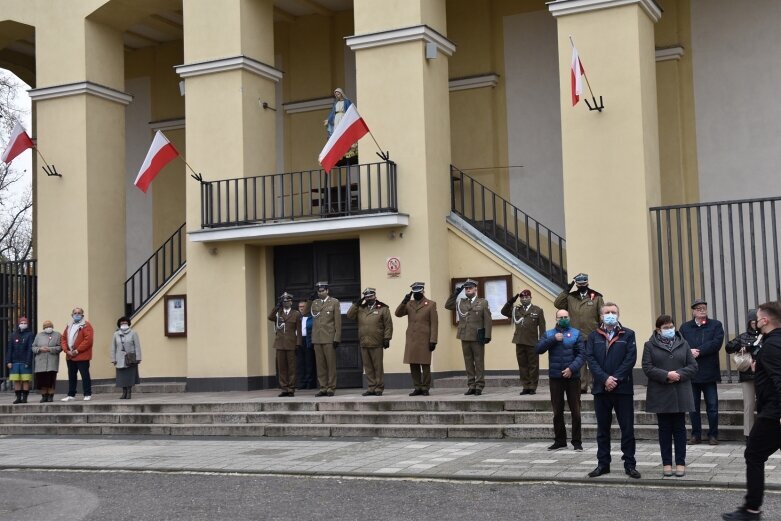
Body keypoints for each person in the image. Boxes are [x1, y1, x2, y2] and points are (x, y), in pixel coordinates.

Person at [722, 301, 781, 521]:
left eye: (757, 317)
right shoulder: (771, 341)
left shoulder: (774, 344)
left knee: (753, 454)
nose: (755, 321)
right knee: (755, 455)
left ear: (765, 320)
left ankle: (751, 510)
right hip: (772, 410)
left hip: (774, 413)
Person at [585, 302, 640, 479]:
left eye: (613, 312)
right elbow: (591, 359)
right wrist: (605, 379)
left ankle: (630, 465)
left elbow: (630, 359)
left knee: (627, 429)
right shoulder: (593, 336)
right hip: (601, 389)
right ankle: (603, 464)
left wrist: (615, 379)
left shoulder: (628, 334)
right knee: (602, 430)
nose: (610, 314)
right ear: (601, 316)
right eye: (607, 312)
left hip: (622, 388)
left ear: (618, 314)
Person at [642, 315, 698, 478]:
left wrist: (678, 374)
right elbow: (647, 367)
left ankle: (680, 462)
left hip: (680, 391)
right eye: (666, 327)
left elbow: (693, 366)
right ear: (658, 329)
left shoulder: (683, 343)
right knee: (664, 430)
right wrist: (666, 375)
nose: (670, 329)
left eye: (671, 326)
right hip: (661, 393)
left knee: (680, 429)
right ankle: (667, 463)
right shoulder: (649, 345)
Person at [535, 309, 585, 451]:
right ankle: (560, 440)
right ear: (556, 319)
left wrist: (571, 369)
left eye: (565, 317)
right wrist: (553, 339)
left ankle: (577, 442)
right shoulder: (549, 334)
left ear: (569, 317)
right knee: (557, 411)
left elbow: (582, 355)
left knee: (576, 411)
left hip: (572, 377)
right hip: (556, 377)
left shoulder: (576, 333)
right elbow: (538, 349)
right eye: (560, 317)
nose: (563, 319)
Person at [680, 298, 725, 445]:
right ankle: (696, 435)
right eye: (698, 308)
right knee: (693, 408)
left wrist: (699, 351)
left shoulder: (716, 325)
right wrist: (689, 351)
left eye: (704, 307)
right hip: (692, 373)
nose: (702, 310)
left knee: (712, 406)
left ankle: (713, 435)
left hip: (709, 371)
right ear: (693, 311)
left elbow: (716, 343)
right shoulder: (685, 327)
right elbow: (680, 344)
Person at [554, 273, 604, 393]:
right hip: (576, 334)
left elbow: (601, 315)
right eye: (579, 284)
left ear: (587, 283)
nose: (582, 285)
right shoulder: (570, 297)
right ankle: (582, 386)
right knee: (579, 360)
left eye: (584, 283)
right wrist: (567, 290)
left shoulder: (596, 296)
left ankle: (594, 384)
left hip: (592, 333)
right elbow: (557, 304)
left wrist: (601, 331)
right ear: (576, 284)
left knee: (593, 360)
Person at [445, 279, 492, 396]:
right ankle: (471, 385)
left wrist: (487, 335)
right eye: (466, 288)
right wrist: (455, 294)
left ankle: (479, 385)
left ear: (475, 289)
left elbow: (488, 320)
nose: (468, 290)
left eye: (470, 288)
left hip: (477, 336)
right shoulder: (461, 302)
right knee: (468, 362)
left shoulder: (482, 302)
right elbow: (448, 305)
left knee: (479, 361)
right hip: (464, 335)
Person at [347, 288, 393, 396]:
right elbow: (349, 315)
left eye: (370, 296)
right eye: (366, 297)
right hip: (364, 341)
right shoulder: (361, 308)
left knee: (377, 366)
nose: (369, 298)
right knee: (368, 367)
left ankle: (379, 388)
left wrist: (387, 338)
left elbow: (388, 325)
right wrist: (356, 304)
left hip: (377, 341)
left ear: (375, 296)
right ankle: (371, 387)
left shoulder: (383, 308)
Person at [395, 282, 438, 396]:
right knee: (413, 364)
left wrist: (433, 340)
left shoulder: (430, 304)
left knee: (425, 365)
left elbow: (434, 323)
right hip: (412, 338)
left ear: (423, 291)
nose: (416, 294)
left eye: (418, 292)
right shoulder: (409, 304)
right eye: (414, 292)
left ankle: (425, 387)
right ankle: (417, 387)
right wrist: (404, 301)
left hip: (425, 339)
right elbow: (398, 314)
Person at [725, 309, 762, 440]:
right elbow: (728, 347)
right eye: (752, 322)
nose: (755, 325)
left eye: (757, 322)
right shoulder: (743, 336)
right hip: (747, 375)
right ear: (749, 323)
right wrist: (743, 347)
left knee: (765, 405)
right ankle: (749, 434)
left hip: (764, 375)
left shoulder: (766, 335)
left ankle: (765, 433)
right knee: (749, 405)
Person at [501, 289, 546, 395]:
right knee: (522, 365)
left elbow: (542, 328)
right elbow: (503, 312)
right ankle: (525, 386)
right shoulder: (516, 310)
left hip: (532, 342)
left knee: (533, 366)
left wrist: (542, 341)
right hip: (519, 341)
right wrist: (510, 301)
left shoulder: (537, 310)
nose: (524, 299)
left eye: (526, 297)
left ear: (530, 298)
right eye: (522, 298)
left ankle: (533, 386)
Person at [306, 281, 341, 397]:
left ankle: (331, 387)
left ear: (327, 291)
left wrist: (337, 337)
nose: (320, 293)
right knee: (320, 365)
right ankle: (323, 387)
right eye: (319, 291)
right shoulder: (315, 303)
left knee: (330, 364)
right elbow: (306, 313)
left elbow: (337, 321)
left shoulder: (334, 302)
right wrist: (309, 300)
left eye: (322, 291)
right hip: (317, 338)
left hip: (329, 337)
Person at [268, 292, 302, 397]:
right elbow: (270, 317)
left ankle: (291, 388)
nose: (285, 303)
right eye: (284, 301)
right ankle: (284, 388)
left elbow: (299, 330)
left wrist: (298, 343)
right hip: (280, 344)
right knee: (281, 367)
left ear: (291, 302)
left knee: (291, 367)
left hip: (291, 344)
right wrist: (276, 307)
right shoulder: (278, 313)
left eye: (287, 301)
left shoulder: (296, 314)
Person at [60, 307, 94, 401]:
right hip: (70, 355)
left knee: (85, 375)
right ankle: (71, 395)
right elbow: (63, 339)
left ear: (82, 315)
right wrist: (66, 350)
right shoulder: (69, 325)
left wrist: (77, 350)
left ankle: (87, 394)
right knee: (71, 376)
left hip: (82, 355)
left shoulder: (86, 325)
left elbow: (88, 341)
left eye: (79, 313)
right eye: (75, 313)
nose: (77, 314)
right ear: (72, 315)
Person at [109, 316, 142, 400]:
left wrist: (138, 357)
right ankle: (124, 392)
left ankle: (129, 392)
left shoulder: (133, 333)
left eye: (125, 322)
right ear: (119, 324)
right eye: (122, 323)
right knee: (122, 377)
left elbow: (137, 346)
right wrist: (113, 359)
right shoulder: (115, 334)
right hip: (119, 359)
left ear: (128, 323)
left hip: (130, 358)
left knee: (129, 376)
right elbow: (113, 347)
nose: (124, 324)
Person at [32, 320, 62, 402]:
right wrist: (39, 349)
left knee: (51, 379)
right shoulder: (39, 335)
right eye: (46, 326)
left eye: (50, 326)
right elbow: (33, 347)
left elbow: (60, 347)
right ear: (43, 328)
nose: (48, 328)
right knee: (42, 379)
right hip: (40, 361)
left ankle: (50, 396)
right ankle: (44, 396)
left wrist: (50, 349)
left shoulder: (57, 335)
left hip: (52, 361)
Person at [6, 316, 34, 404]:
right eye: (21, 323)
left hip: (25, 361)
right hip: (14, 362)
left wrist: (28, 361)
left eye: (25, 323)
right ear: (19, 324)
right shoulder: (14, 334)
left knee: (25, 380)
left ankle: (25, 398)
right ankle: (18, 398)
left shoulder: (30, 334)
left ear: (27, 324)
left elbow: (30, 349)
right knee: (16, 380)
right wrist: (8, 361)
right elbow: (10, 348)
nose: (23, 324)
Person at [296, 300, 317, 390]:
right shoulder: (296, 316)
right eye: (300, 307)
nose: (301, 308)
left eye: (303, 306)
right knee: (300, 363)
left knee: (309, 363)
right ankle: (301, 383)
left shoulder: (311, 317)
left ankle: (310, 383)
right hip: (298, 341)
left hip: (307, 340)